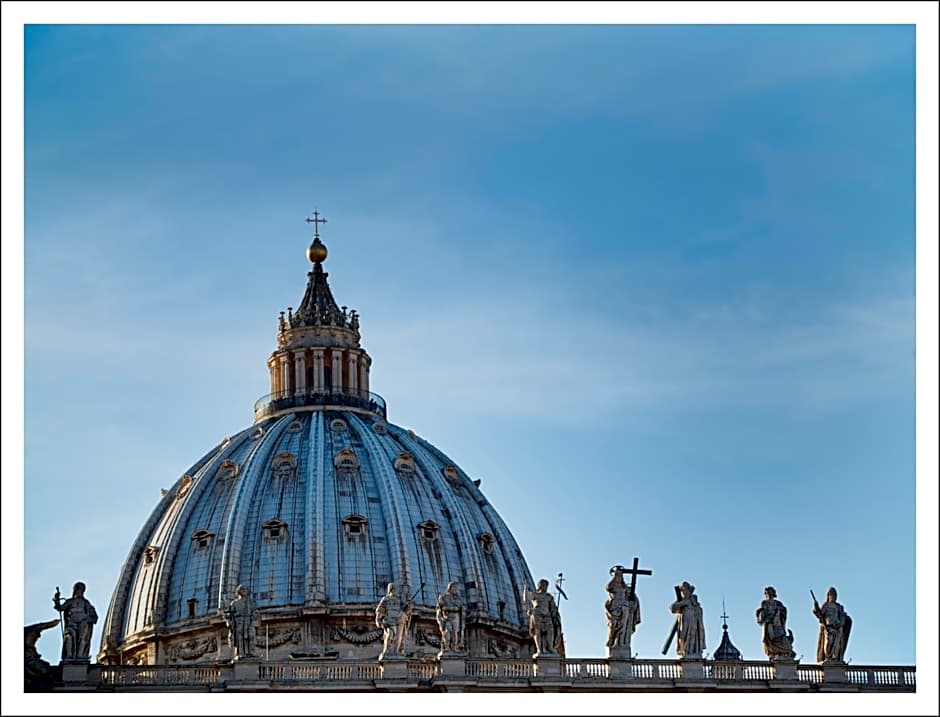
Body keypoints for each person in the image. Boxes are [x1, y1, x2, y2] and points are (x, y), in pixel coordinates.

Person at [52, 582, 98, 661]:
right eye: (79, 590)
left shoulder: (85, 603)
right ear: (75, 591)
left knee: (82, 639)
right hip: (71, 624)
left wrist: (89, 619)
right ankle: (69, 656)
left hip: (82, 623)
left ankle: (80, 656)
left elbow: (94, 615)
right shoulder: (70, 602)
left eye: (82, 591)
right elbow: (60, 608)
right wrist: (56, 600)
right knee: (69, 637)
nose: (80, 592)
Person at [605, 566, 641, 657]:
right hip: (614, 609)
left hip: (624, 608)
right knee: (613, 625)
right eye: (617, 575)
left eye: (620, 576)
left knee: (624, 627)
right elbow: (608, 587)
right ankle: (612, 640)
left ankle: (621, 644)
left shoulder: (626, 588)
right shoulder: (612, 587)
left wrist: (633, 603)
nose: (619, 577)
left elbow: (633, 599)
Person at [813, 586, 852, 663]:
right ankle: (828, 658)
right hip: (828, 627)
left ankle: (835, 659)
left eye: (834, 595)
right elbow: (820, 614)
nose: (832, 596)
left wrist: (841, 623)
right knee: (828, 643)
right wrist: (816, 607)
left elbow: (842, 617)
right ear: (828, 596)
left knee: (837, 645)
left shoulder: (839, 607)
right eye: (831, 594)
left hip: (837, 628)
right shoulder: (826, 605)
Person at [524, 579, 562, 657]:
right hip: (537, 615)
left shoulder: (549, 597)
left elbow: (552, 609)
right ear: (540, 586)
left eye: (547, 586)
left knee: (550, 630)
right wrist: (525, 589)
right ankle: (539, 649)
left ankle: (550, 648)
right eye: (544, 585)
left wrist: (555, 614)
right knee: (537, 632)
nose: (546, 587)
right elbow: (526, 598)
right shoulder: (535, 595)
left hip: (547, 615)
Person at [755, 586, 795, 660]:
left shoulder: (778, 603)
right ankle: (775, 654)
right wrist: (763, 615)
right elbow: (761, 614)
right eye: (767, 593)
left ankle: (785, 653)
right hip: (769, 625)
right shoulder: (764, 603)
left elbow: (784, 612)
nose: (768, 595)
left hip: (778, 625)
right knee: (769, 640)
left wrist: (781, 610)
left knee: (784, 640)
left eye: (770, 593)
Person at [669, 581, 706, 659]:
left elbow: (699, 609)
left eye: (686, 590)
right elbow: (672, 608)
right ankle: (683, 650)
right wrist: (683, 603)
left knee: (693, 636)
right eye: (683, 591)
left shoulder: (694, 601)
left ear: (689, 590)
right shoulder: (681, 600)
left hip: (694, 621)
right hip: (684, 621)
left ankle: (692, 651)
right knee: (683, 636)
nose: (684, 592)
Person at [375, 582, 412, 659]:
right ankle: (388, 651)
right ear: (391, 590)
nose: (397, 591)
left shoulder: (400, 600)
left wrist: (408, 606)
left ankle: (396, 652)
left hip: (400, 619)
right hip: (390, 620)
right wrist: (378, 619)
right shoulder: (385, 599)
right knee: (390, 636)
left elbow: (407, 610)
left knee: (399, 637)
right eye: (395, 590)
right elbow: (379, 610)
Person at [224, 584, 256, 658]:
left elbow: (255, 613)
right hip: (238, 623)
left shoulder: (251, 603)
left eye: (245, 590)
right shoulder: (234, 603)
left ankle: (249, 652)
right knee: (240, 639)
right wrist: (229, 621)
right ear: (238, 591)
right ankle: (241, 653)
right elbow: (229, 614)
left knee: (248, 637)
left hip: (248, 622)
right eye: (242, 590)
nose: (244, 591)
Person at [435, 581, 464, 656]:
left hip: (456, 619)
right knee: (447, 631)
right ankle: (447, 646)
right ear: (450, 588)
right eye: (455, 588)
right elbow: (439, 609)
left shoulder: (458, 598)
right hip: (447, 618)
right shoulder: (443, 597)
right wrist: (440, 620)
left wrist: (447, 608)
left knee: (455, 634)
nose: (456, 590)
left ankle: (454, 648)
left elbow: (458, 608)